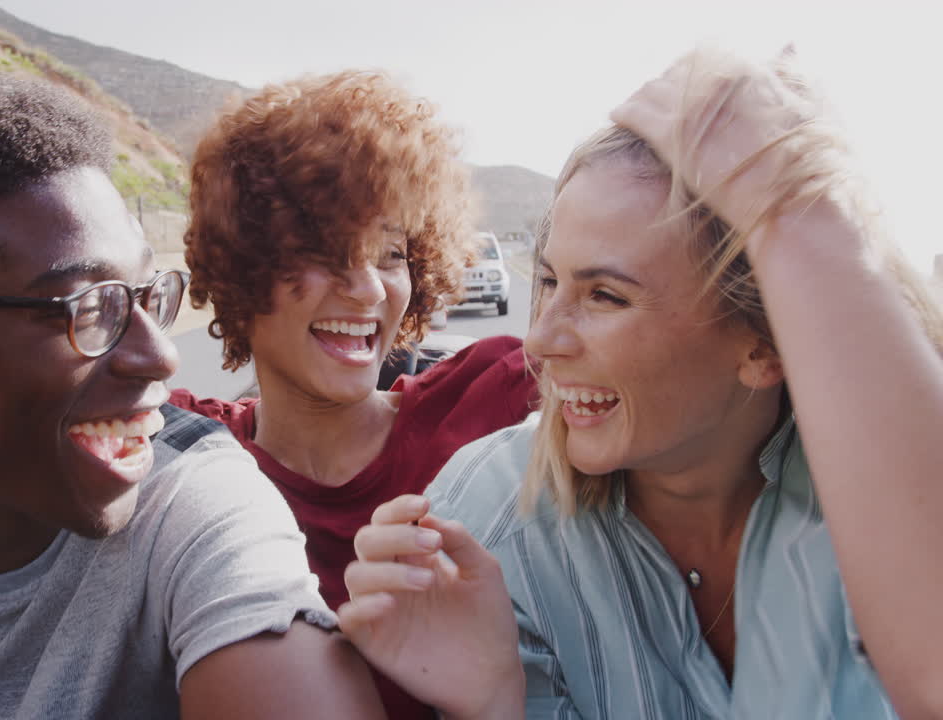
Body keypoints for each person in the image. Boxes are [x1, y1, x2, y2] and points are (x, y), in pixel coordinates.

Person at [0, 69, 542, 719]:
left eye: (392, 252)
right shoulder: (165, 438)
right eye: (87, 308)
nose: (159, 357)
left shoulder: (194, 483)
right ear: (241, 266)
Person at [339, 48, 943, 719]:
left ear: (765, 343)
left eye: (605, 295)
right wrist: (494, 704)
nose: (541, 340)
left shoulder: (890, 495)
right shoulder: (486, 522)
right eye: (549, 281)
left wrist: (801, 216)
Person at [171, 71, 540, 717]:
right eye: (324, 249)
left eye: (391, 253)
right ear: (239, 263)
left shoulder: (496, 404)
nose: (369, 289)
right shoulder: (183, 459)